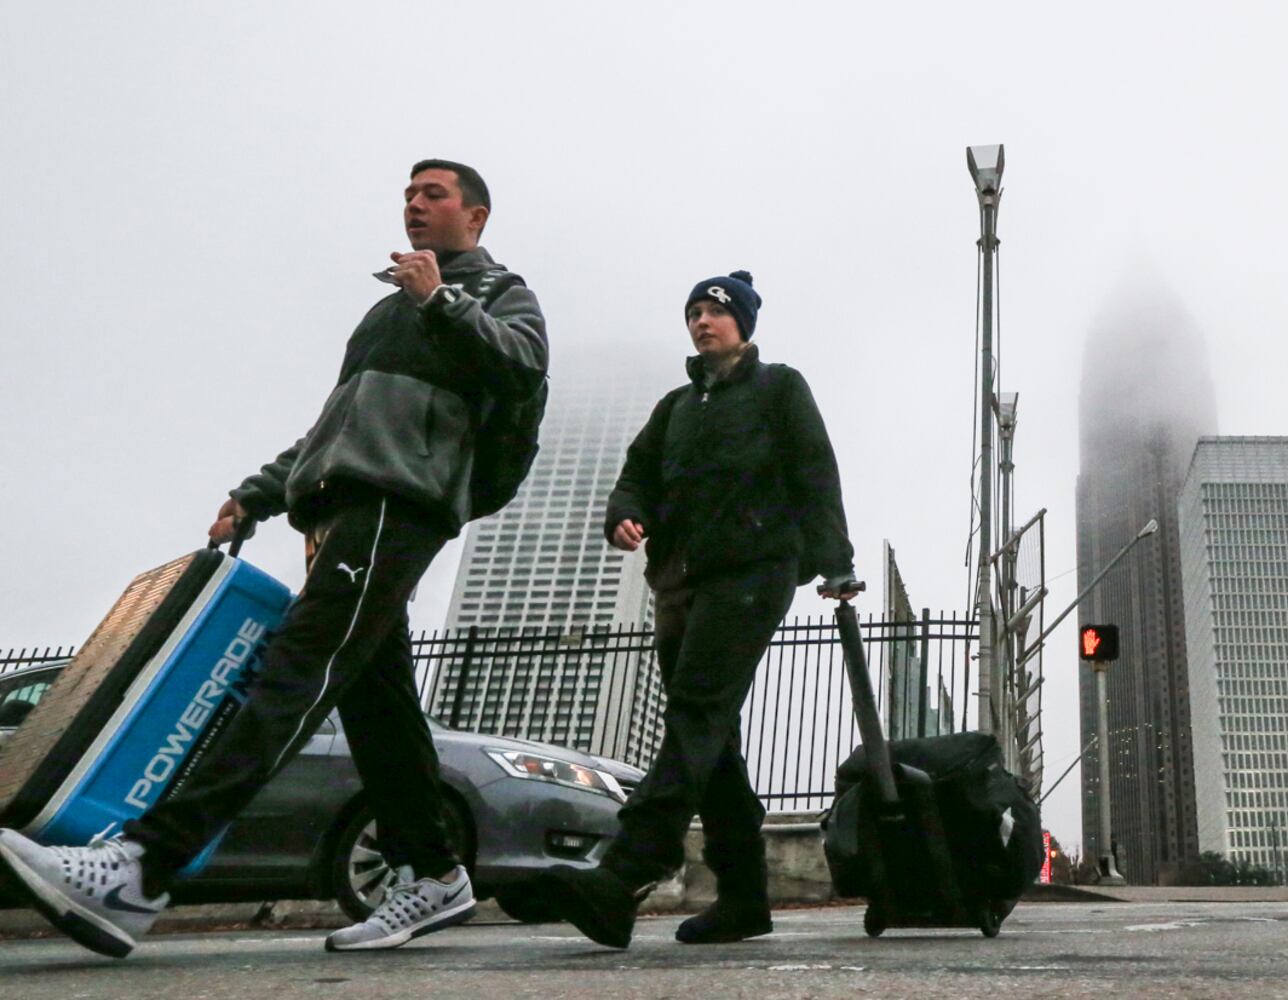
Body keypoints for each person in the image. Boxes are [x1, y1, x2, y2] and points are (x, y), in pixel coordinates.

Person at [0, 159, 548, 958]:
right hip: (342, 505)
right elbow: (337, 426)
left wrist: (443, 300)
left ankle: (143, 869)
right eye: (407, 194)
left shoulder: (499, 293)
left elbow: (523, 366)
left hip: (399, 502)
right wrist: (257, 492)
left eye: (433, 194)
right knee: (378, 704)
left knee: (295, 669)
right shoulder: (385, 312)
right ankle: (433, 872)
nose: (413, 205)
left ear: (477, 216)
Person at [540, 270, 857, 948]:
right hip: (679, 581)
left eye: (714, 311)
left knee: (695, 712)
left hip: (753, 570)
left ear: (743, 322)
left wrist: (836, 562)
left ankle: (626, 869)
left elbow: (815, 471)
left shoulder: (779, 388)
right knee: (714, 741)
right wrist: (624, 514)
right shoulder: (676, 407)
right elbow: (638, 473)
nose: (701, 322)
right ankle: (743, 898)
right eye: (693, 314)